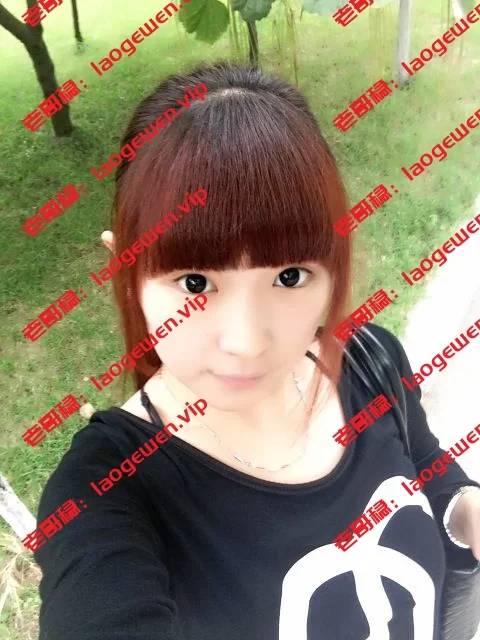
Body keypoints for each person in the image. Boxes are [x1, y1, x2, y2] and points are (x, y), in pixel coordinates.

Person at [34, 61, 480, 640]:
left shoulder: (371, 362)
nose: (246, 342)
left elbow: (426, 465)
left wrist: (467, 511)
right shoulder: (106, 489)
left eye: (290, 276)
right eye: (195, 282)